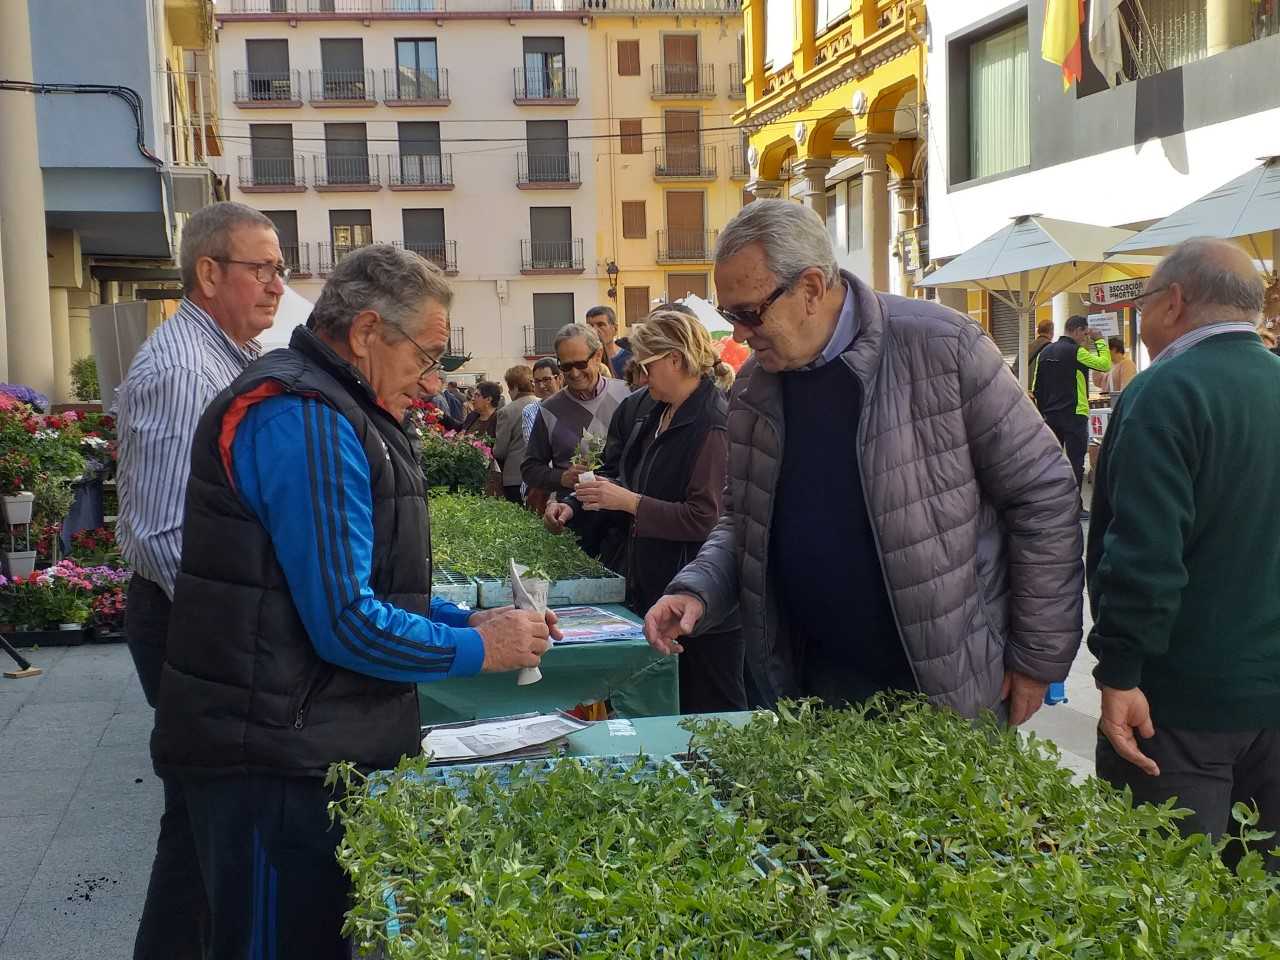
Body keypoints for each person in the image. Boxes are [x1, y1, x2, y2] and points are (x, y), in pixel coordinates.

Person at [150, 245, 557, 958]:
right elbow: (346, 622)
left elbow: (361, 588)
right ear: (367, 331)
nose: (432, 384)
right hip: (276, 758)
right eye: (427, 357)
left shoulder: (336, 402)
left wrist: (468, 619)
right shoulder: (304, 415)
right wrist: (480, 649)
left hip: (291, 738)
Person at [644, 199, 1083, 722]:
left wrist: (1036, 655)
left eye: (747, 313)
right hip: (812, 686)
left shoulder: (944, 347)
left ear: (809, 288)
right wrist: (697, 591)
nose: (737, 334)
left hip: (942, 685)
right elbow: (742, 521)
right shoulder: (753, 391)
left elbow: (1043, 494)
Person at [115, 201, 284, 960]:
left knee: (199, 821)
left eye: (280, 269)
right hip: (192, 623)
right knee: (206, 817)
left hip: (202, 619)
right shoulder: (186, 366)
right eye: (262, 268)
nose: (277, 284)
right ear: (209, 273)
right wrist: (253, 627)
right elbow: (166, 535)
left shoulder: (224, 354)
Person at [1087, 238, 1280, 874]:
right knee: (1260, 905)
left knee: (1164, 901)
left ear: (1173, 301)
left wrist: (1119, 672)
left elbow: (1144, 556)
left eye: (1141, 303)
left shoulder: (1164, 393)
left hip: (1179, 707)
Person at [546, 312, 744, 712]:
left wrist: (630, 503)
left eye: (646, 365)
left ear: (675, 359)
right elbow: (623, 474)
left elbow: (705, 519)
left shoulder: (712, 422)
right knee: (660, 709)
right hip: (656, 588)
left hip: (699, 607)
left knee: (708, 712)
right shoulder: (653, 411)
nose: (639, 374)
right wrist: (574, 503)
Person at [521, 323, 631, 501]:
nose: (574, 373)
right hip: (572, 515)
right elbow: (530, 469)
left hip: (624, 515)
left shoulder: (627, 395)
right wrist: (562, 478)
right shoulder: (549, 410)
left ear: (598, 356)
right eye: (566, 366)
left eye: (580, 364)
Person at [1031, 314, 1111, 515]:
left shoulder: (1045, 352)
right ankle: (1074, 507)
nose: (1085, 338)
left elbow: (1036, 386)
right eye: (1084, 334)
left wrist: (1041, 412)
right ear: (1076, 330)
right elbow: (1104, 365)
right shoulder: (1076, 352)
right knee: (1075, 462)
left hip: (1049, 416)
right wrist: (1100, 340)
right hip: (1075, 414)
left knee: (1051, 462)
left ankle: (1052, 504)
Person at [520, 357, 565, 515]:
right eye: (536, 381)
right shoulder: (531, 410)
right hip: (541, 487)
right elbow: (535, 449)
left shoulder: (572, 407)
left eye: (546, 379)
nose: (541, 385)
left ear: (559, 378)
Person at [493, 365, 537, 504]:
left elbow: (500, 450)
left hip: (515, 475)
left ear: (515, 387)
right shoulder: (545, 404)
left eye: (509, 387)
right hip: (540, 474)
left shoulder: (507, 411)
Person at [586, 305, 632, 379]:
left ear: (615, 329)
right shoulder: (584, 362)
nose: (594, 330)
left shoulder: (630, 360)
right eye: (590, 326)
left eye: (600, 325)